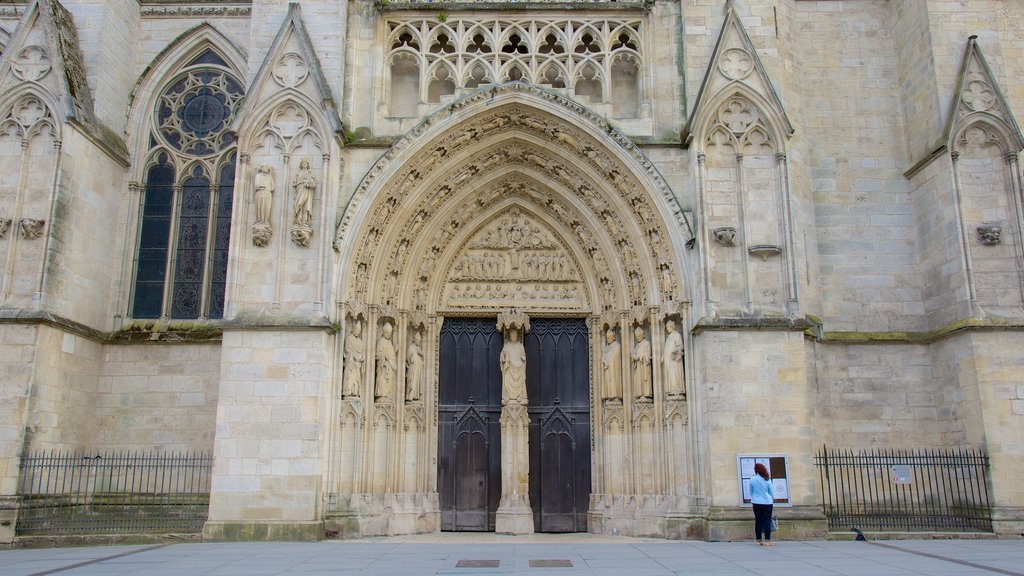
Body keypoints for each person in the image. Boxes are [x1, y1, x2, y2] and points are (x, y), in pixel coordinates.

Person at [500, 327, 527, 405]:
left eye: (515, 336)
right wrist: (504, 358)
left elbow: (524, 356)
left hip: (519, 368)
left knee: (519, 382)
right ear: (509, 336)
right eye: (512, 336)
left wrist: (523, 358)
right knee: (508, 382)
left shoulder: (520, 346)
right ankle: (508, 395)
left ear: (517, 336)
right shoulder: (507, 346)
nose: (513, 338)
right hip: (509, 368)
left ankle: (520, 395)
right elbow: (502, 355)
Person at [750, 462, 775, 546]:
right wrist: (772, 499)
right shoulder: (767, 479)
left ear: (755, 470)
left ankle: (759, 539)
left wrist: (754, 497)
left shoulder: (752, 479)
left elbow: (751, 491)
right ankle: (767, 539)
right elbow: (771, 492)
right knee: (767, 520)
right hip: (767, 502)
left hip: (756, 502)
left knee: (758, 520)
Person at [292, 158, 316, 227]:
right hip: (299, 189)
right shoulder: (298, 173)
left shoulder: (310, 173)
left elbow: (313, 183)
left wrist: (307, 183)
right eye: (302, 163)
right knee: (298, 205)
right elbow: (294, 183)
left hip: (306, 190)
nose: (304, 165)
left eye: (305, 163)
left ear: (307, 165)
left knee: (305, 205)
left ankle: (305, 221)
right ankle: (298, 221)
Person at [601, 329, 622, 401]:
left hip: (613, 369)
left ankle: (614, 397)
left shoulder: (617, 346)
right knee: (607, 381)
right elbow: (603, 356)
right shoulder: (607, 347)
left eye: (609, 338)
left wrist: (607, 360)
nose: (607, 340)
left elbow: (614, 357)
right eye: (607, 338)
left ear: (613, 337)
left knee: (613, 381)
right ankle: (609, 396)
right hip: (607, 369)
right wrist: (603, 360)